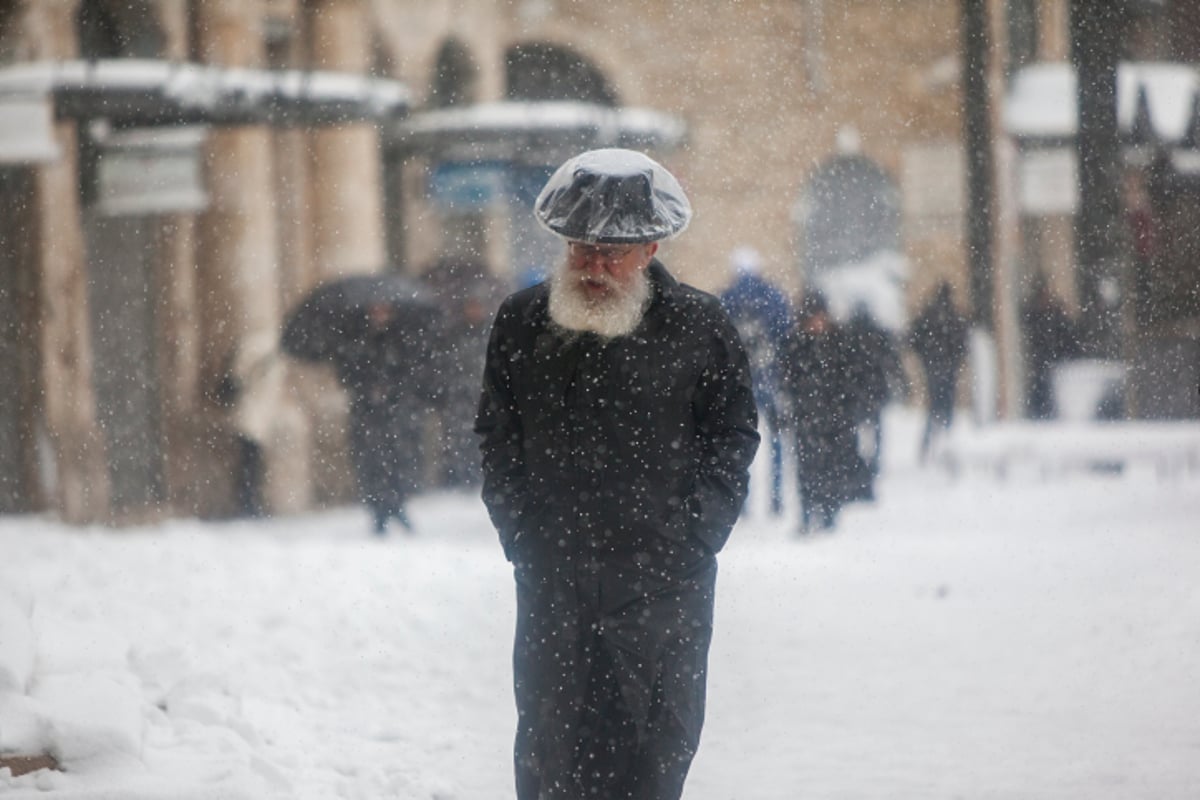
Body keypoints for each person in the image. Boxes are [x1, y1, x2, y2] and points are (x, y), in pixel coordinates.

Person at [475, 148, 759, 800]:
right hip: (556, 574)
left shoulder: (699, 325)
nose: (595, 267)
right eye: (582, 250)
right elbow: (498, 436)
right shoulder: (522, 322)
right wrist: (522, 532)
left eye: (613, 253)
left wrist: (696, 535)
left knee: (656, 746)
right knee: (551, 748)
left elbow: (732, 437)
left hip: (664, 581)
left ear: (651, 248)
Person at [340, 300, 442, 535]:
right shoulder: (357, 340)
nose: (379, 314)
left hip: (397, 411)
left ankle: (397, 504)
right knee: (372, 461)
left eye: (384, 309)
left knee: (399, 459)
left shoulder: (403, 338)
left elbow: (414, 370)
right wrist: (367, 388)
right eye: (375, 309)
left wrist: (392, 389)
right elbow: (348, 373)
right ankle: (378, 509)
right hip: (368, 412)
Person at [779, 292, 863, 533]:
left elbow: (851, 378)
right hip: (806, 418)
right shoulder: (795, 343)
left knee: (832, 466)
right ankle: (807, 512)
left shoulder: (839, 342)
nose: (817, 323)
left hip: (835, 418)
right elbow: (787, 380)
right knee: (806, 467)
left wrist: (846, 407)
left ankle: (829, 512)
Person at [720, 245, 793, 516]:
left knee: (739, 442)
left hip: (739, 381)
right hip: (770, 377)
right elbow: (787, 334)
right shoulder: (773, 296)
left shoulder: (726, 297)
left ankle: (742, 502)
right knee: (776, 441)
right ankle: (776, 499)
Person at [422, 257, 505, 489]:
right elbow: (443, 363)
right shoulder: (453, 334)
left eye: (478, 305)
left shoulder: (493, 332)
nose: (474, 310)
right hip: (459, 395)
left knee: (483, 439)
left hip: (483, 395)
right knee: (459, 437)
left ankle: (479, 474)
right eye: (471, 305)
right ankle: (462, 476)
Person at [843, 303, 906, 498]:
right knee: (875, 429)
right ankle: (872, 463)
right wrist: (901, 381)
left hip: (857, 392)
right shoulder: (877, 336)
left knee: (858, 430)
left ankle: (861, 462)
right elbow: (892, 362)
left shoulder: (848, 337)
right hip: (873, 391)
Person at [908, 281, 969, 463]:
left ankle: (929, 449)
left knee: (934, 409)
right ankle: (943, 448)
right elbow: (961, 343)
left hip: (934, 367)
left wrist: (926, 358)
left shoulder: (930, 314)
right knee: (945, 409)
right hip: (944, 367)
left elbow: (914, 338)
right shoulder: (951, 316)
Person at [1021, 275, 1080, 420]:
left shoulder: (1053, 314)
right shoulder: (1038, 314)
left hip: (1051, 356)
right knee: (1040, 384)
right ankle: (1039, 410)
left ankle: (1045, 410)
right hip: (1042, 357)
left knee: (1048, 385)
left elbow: (1066, 333)